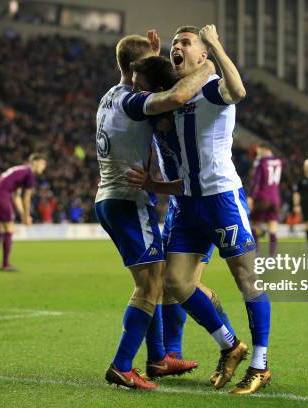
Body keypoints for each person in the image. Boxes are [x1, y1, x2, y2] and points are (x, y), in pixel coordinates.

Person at [124, 25, 271, 394]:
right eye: (175, 44)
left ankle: (259, 364)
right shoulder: (176, 95)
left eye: (185, 43)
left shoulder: (210, 89)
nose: (178, 47)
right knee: (175, 283)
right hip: (187, 205)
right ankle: (230, 345)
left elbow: (238, 90)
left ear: (202, 55)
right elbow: (144, 81)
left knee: (247, 281)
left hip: (221, 200)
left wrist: (217, 45)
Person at [95, 32, 216, 390]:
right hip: (128, 200)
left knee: (158, 279)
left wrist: (153, 57)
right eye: (150, 61)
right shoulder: (133, 100)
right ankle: (121, 365)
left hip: (111, 198)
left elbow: (147, 80)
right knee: (149, 287)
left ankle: (159, 358)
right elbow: (178, 95)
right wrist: (207, 65)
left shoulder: (109, 95)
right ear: (135, 70)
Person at [126, 55, 237, 369]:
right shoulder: (154, 115)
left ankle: (230, 343)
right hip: (179, 208)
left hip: (204, 204)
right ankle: (172, 352)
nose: (134, 93)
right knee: (170, 283)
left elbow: (193, 183)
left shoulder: (187, 120)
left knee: (185, 285)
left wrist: (153, 185)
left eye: (140, 87)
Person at [0, 153, 47, 271]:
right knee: (9, 229)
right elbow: (26, 198)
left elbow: (17, 196)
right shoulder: (29, 173)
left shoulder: (21, 171)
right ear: (35, 162)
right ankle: (5, 264)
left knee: (0, 229)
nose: (43, 167)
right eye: (43, 164)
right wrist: (27, 216)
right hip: (2, 196)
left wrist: (23, 215)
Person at [247, 144, 282, 256]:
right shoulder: (279, 161)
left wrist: (251, 197)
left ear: (265, 149)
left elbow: (256, 181)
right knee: (273, 227)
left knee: (254, 224)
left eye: (260, 151)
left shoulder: (262, 163)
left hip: (263, 197)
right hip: (275, 198)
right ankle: (272, 255)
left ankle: (256, 252)